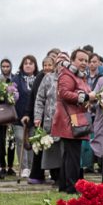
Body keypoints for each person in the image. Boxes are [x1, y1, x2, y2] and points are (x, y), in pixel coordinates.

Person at [52, 49, 95, 193]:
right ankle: (72, 188)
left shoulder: (78, 76)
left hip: (72, 119)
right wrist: (88, 97)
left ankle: (65, 187)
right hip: (69, 120)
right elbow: (64, 94)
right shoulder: (67, 74)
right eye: (80, 60)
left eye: (86, 61)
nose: (84, 63)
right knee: (73, 156)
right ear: (72, 61)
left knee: (69, 155)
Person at [35, 52, 69, 187]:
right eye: (60, 64)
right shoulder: (48, 78)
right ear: (56, 65)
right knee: (52, 150)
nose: (62, 66)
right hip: (51, 121)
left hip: (66, 121)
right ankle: (55, 178)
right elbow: (40, 99)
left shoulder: (71, 78)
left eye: (65, 64)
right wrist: (38, 117)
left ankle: (64, 178)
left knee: (64, 150)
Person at [23, 55, 55, 184]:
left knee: (53, 146)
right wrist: (28, 114)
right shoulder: (39, 78)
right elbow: (34, 98)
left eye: (49, 65)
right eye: (45, 65)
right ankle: (37, 174)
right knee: (39, 145)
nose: (47, 68)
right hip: (40, 117)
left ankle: (55, 175)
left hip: (54, 117)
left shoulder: (57, 78)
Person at [12, 55, 38, 178]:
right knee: (20, 140)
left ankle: (32, 167)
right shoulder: (16, 78)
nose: (28, 65)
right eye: (26, 63)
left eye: (31, 63)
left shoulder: (39, 78)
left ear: (35, 66)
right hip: (18, 115)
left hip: (35, 116)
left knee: (32, 141)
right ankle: (24, 167)